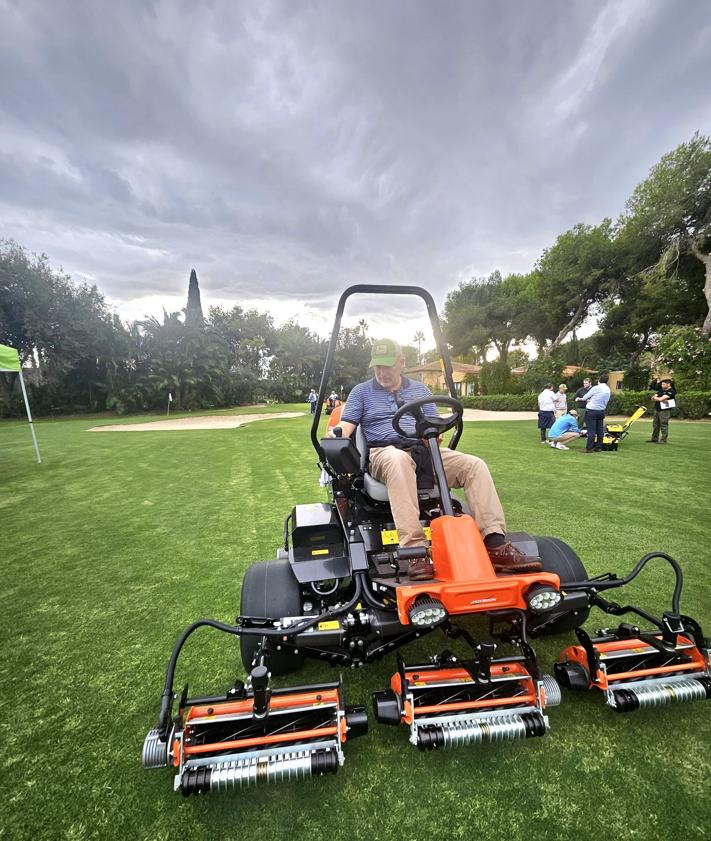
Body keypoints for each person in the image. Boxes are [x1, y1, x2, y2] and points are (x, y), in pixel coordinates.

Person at [328, 338, 541, 580]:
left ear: (401, 363)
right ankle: (413, 550)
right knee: (398, 460)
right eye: (377, 366)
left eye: (387, 366)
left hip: (424, 449)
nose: (381, 372)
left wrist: (433, 438)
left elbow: (435, 426)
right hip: (383, 451)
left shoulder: (420, 391)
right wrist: (336, 435)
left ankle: (493, 541)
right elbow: (346, 425)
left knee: (474, 465)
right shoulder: (361, 392)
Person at [578, 374, 611, 453]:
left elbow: (585, 397)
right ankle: (598, 447)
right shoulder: (608, 389)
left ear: (599, 380)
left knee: (591, 430)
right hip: (601, 411)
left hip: (592, 411)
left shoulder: (596, 388)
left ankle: (589, 448)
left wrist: (586, 399)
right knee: (600, 430)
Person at [647, 378, 676, 444]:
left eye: (663, 384)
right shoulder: (661, 390)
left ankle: (663, 440)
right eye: (662, 384)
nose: (662, 385)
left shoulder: (671, 391)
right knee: (655, 425)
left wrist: (658, 398)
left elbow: (661, 399)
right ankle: (654, 439)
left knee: (663, 425)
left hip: (665, 411)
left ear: (668, 384)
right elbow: (652, 398)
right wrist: (659, 398)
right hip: (657, 409)